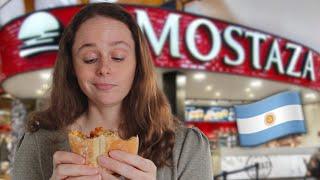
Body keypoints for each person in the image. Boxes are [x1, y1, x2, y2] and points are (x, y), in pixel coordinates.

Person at [12, 2, 213, 180]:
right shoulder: (36, 145)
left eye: (117, 57)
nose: (104, 69)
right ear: (72, 67)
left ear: (138, 64)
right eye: (90, 58)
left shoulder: (187, 148)